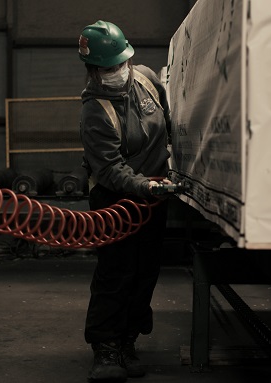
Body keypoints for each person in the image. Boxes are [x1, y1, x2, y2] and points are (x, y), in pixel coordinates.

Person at [77, 20, 175, 382]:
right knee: (116, 273)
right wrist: (144, 187)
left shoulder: (147, 80)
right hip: (114, 200)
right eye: (109, 68)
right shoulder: (94, 111)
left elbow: (169, 124)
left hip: (154, 195)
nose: (118, 72)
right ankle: (105, 347)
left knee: (145, 271)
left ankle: (128, 341)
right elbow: (109, 168)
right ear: (95, 72)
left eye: (121, 63)